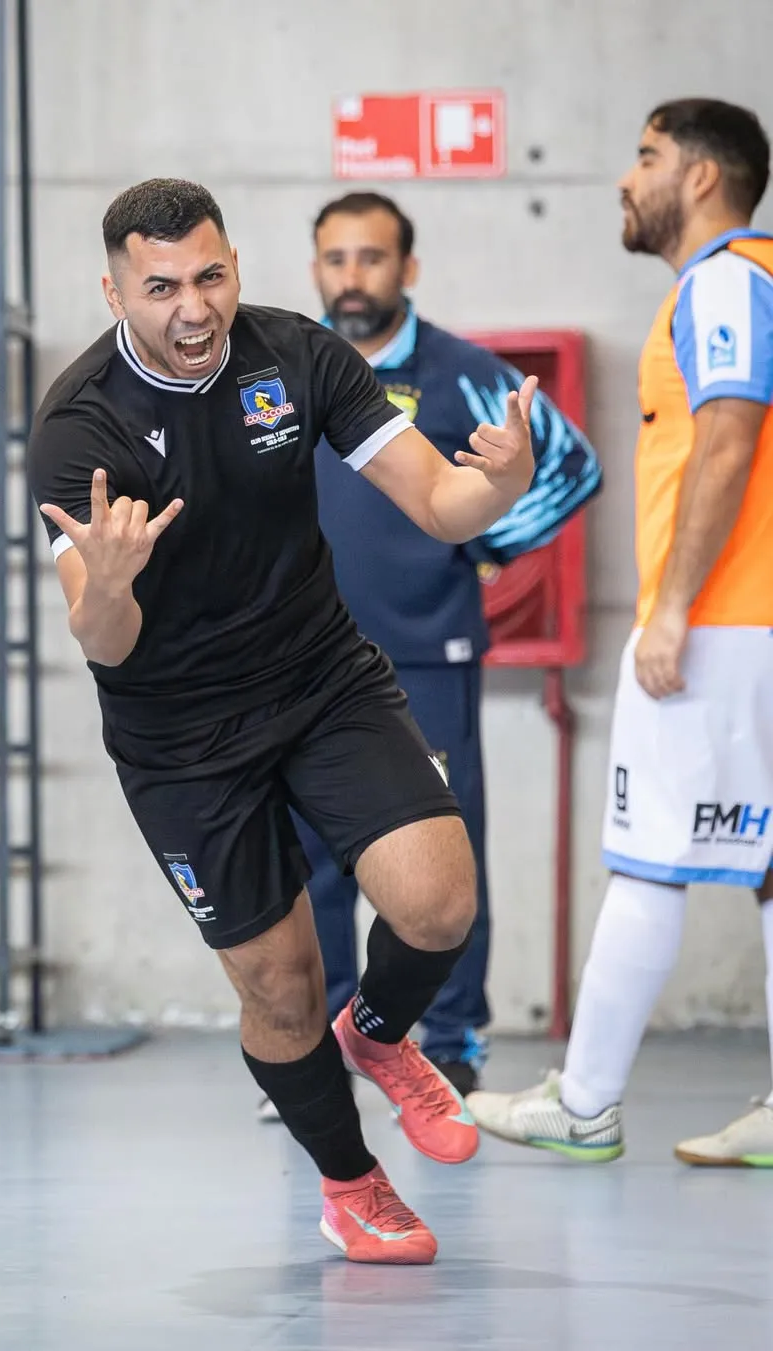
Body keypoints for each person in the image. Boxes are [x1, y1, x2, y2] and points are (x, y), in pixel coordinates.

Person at [28, 178, 537, 1263]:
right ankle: (352, 1185)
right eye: (160, 285)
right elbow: (103, 640)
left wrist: (500, 489)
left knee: (440, 901)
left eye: (209, 275)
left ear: (237, 268)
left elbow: (441, 502)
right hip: (181, 738)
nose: (191, 306)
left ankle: (383, 1033)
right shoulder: (79, 425)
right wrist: (111, 579)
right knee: (281, 984)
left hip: (319, 680)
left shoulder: (296, 356)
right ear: (114, 287)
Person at [467, 98, 773, 1166]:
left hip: (725, 624)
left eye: (644, 156)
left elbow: (729, 441)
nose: (623, 178)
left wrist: (675, 607)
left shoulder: (727, 280)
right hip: (756, 623)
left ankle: (585, 1101)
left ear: (700, 177)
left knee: (649, 860)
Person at [255, 192, 601, 1123]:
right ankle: (322, 1052)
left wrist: (479, 547)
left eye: (372, 257)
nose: (352, 276)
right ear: (316, 266)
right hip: (298, 662)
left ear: (407, 269)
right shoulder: (280, 371)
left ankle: (448, 1047)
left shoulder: (458, 370)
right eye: (335, 258)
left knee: (444, 863)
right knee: (312, 866)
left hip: (427, 658)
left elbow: (571, 463)